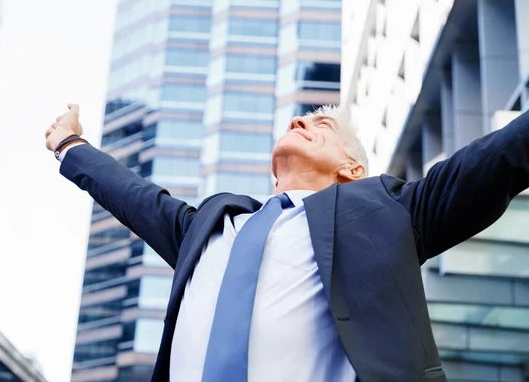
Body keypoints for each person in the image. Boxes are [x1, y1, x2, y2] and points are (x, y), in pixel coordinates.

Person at [45, 103, 529, 382]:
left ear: (352, 171)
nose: (300, 121)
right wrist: (71, 145)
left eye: (323, 127)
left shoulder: (387, 212)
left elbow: (498, 158)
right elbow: (135, 197)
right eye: (300, 120)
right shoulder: (211, 226)